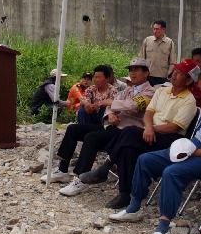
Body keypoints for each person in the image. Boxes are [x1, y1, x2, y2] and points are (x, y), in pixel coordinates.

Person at [108, 68, 201, 234]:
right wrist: (187, 149)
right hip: (193, 147)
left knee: (172, 172)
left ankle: (163, 227)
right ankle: (133, 207)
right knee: (145, 160)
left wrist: (192, 153)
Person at [100, 59, 198, 209]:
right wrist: (148, 128)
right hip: (151, 131)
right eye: (175, 71)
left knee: (129, 132)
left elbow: (174, 127)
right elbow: (149, 112)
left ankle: (106, 166)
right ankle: (126, 194)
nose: (174, 75)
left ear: (189, 80)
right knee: (128, 149)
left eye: (179, 74)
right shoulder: (161, 91)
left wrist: (151, 129)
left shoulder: (189, 101)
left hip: (170, 139)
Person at [64, 58, 156, 189]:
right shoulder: (128, 90)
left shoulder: (150, 92)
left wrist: (111, 104)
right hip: (114, 126)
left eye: (136, 70)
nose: (132, 73)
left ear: (146, 73)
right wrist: (110, 114)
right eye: (130, 70)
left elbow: (133, 105)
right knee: (75, 129)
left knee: (92, 138)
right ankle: (65, 169)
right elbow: (109, 106)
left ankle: (81, 179)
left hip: (130, 130)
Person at [45, 65, 118, 186]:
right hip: (93, 122)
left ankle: (80, 177)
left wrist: (99, 104)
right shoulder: (91, 89)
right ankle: (62, 170)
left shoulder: (113, 90)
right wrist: (87, 104)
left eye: (99, 77)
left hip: (106, 125)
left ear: (107, 78)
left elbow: (113, 104)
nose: (95, 79)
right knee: (72, 128)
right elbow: (84, 100)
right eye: (95, 77)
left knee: (91, 136)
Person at [139, 20, 175, 86]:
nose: (155, 31)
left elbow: (172, 62)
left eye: (157, 29)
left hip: (162, 78)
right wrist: (142, 74)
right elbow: (141, 59)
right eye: (154, 29)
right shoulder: (147, 40)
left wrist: (168, 75)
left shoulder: (169, 42)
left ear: (163, 29)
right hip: (148, 76)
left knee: (159, 95)